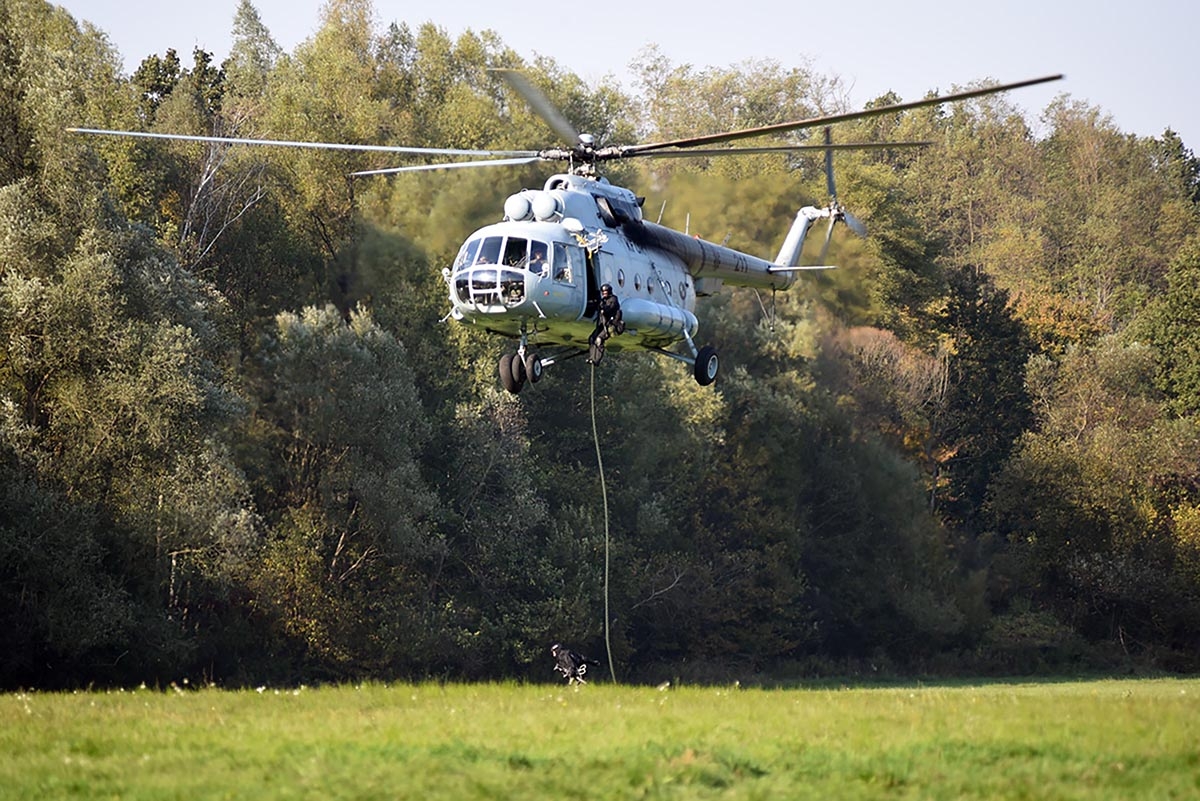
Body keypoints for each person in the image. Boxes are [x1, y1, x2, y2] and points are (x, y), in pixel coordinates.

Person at [588, 283, 623, 363]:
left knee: (599, 339)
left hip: (610, 325)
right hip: (602, 325)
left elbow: (610, 308)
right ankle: (592, 358)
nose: (604, 294)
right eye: (603, 292)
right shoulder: (603, 301)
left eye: (605, 292)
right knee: (592, 338)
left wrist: (604, 308)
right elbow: (598, 306)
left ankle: (596, 360)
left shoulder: (613, 300)